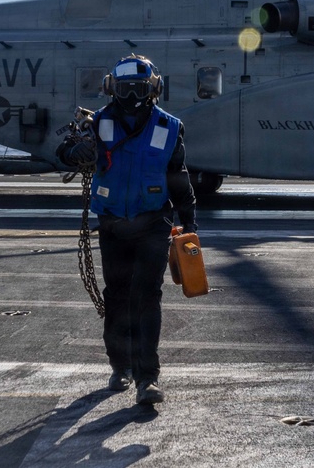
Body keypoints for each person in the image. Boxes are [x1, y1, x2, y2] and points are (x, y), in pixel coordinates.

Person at [58, 54, 197, 405]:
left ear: (153, 89)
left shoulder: (169, 127)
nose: (132, 95)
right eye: (125, 89)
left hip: (153, 223)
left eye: (138, 88)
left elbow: (178, 175)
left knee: (147, 296)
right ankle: (120, 366)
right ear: (111, 89)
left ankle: (147, 378)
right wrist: (76, 151)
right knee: (117, 296)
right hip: (113, 225)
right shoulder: (97, 123)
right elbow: (63, 152)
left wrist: (189, 220)